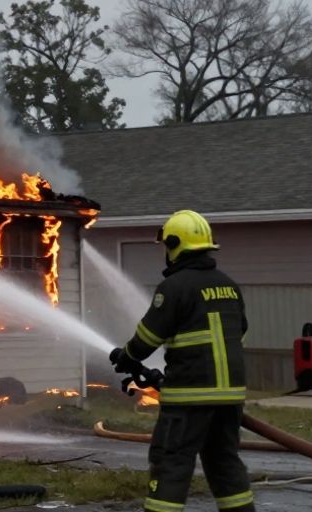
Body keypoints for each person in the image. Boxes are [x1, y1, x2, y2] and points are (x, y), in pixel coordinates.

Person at [111, 210, 253, 512]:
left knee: (171, 461)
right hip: (230, 397)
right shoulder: (229, 286)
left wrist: (127, 356)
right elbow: (240, 331)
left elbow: (148, 337)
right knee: (224, 462)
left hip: (190, 397)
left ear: (175, 245)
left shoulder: (174, 287)